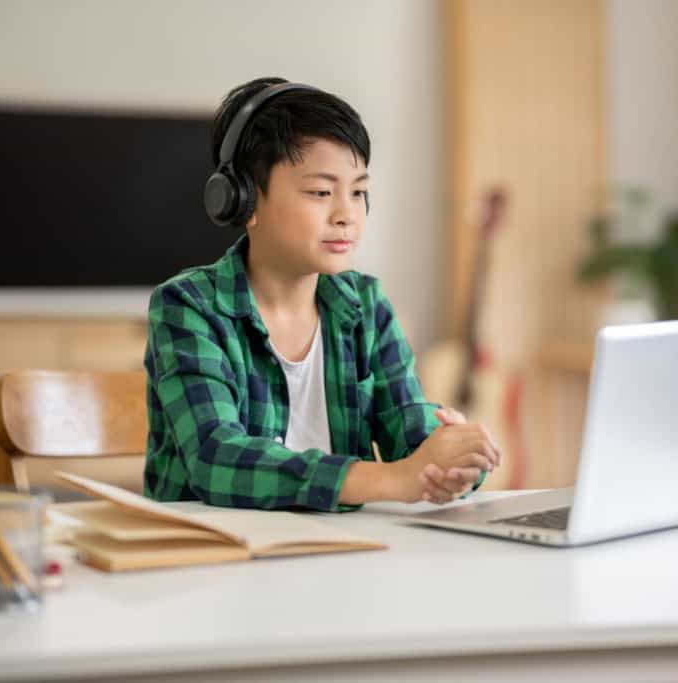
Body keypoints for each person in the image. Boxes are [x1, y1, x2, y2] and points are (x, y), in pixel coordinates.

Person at [144, 77, 501, 511]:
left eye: (359, 192)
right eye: (320, 192)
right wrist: (392, 478)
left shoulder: (366, 305)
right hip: (214, 559)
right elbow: (215, 458)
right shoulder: (189, 306)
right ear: (243, 200)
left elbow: (407, 427)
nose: (346, 214)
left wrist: (451, 458)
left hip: (338, 555)